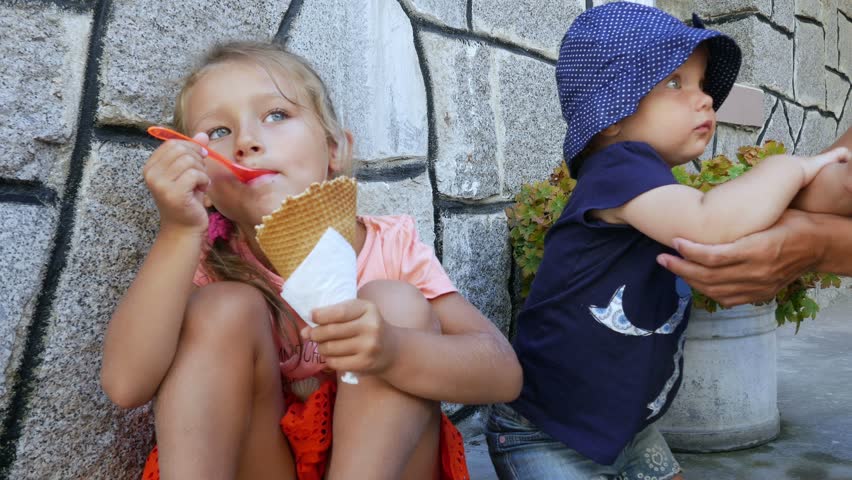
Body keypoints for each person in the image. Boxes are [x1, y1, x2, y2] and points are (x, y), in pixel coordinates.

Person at [100, 41, 522, 480]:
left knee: (392, 304)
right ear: (201, 173)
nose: (246, 141)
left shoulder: (388, 247)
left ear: (335, 149)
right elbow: (126, 384)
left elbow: (502, 373)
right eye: (219, 132)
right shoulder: (208, 260)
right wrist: (178, 231)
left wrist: (394, 352)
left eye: (276, 115)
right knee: (222, 309)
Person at [485, 3, 851, 480]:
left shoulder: (649, 183)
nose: (704, 100)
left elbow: (741, 221)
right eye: (675, 83)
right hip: (548, 431)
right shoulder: (620, 167)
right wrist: (789, 167)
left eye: (702, 86)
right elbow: (713, 223)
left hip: (624, 428)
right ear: (611, 115)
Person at [658, 126, 852, 306]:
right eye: (674, 86)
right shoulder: (631, 167)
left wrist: (822, 243)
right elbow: (835, 188)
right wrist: (794, 169)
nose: (706, 101)